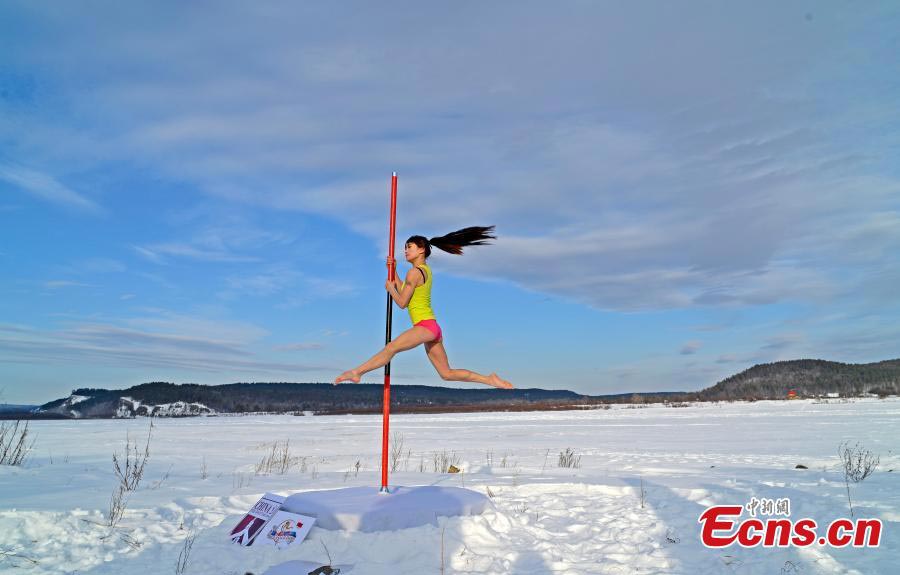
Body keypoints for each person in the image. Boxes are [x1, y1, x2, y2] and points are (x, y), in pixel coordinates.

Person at [334, 225, 513, 389]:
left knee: (391, 348)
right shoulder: (424, 270)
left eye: (409, 247)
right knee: (447, 374)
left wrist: (390, 289)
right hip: (432, 328)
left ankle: (357, 372)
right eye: (405, 248)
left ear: (421, 249)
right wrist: (393, 270)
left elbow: (402, 303)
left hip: (424, 326)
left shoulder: (414, 273)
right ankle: (489, 380)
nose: (405, 251)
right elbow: (405, 290)